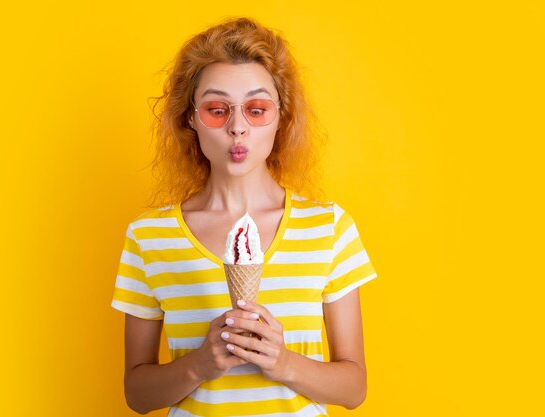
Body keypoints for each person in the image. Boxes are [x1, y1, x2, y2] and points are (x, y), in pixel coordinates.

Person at [111, 17, 378, 417]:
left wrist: (281, 362)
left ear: (280, 117)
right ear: (191, 119)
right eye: (218, 110)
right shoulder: (149, 237)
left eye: (256, 109)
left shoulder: (329, 228)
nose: (238, 128)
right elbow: (138, 394)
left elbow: (354, 389)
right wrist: (201, 364)